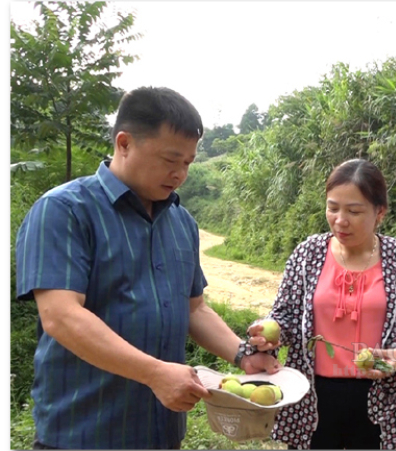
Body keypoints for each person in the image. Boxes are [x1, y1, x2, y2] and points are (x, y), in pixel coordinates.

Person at [15, 86, 279, 449]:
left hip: (162, 434)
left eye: (187, 162)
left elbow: (195, 309)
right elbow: (61, 317)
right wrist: (155, 374)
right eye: (170, 160)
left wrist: (243, 354)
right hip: (84, 434)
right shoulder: (65, 211)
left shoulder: (181, 222)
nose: (180, 173)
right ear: (124, 143)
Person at [243, 159, 396, 450]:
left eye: (354, 211)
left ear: (379, 212)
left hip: (378, 398)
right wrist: (270, 332)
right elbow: (285, 316)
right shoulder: (309, 253)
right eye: (333, 208)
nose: (340, 220)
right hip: (312, 396)